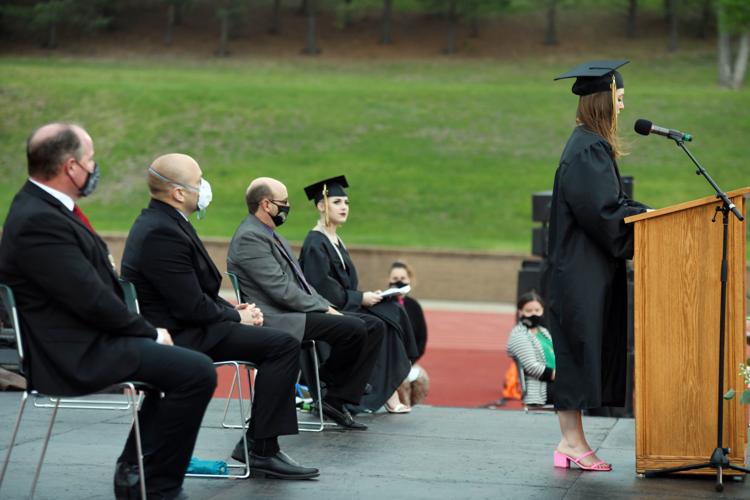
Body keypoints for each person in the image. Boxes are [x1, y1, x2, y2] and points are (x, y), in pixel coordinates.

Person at [0, 123, 217, 500]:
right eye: (90, 160)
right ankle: (159, 487)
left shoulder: (43, 208)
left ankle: (137, 473)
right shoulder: (39, 219)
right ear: (70, 167)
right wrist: (149, 333)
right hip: (71, 353)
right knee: (195, 371)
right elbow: (89, 298)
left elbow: (90, 289)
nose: (93, 167)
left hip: (84, 337)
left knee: (182, 363)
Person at [121, 154, 319, 480]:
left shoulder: (164, 223)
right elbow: (190, 308)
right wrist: (235, 318)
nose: (205, 187)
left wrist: (231, 310)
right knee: (282, 345)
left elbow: (192, 294)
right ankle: (261, 449)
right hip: (181, 335)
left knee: (279, 342)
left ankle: (140, 457)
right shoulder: (162, 232)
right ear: (178, 193)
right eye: (199, 181)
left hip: (187, 326)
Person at [546, 60, 649, 472]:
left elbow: (612, 206)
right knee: (575, 353)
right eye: (619, 99)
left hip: (584, 271)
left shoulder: (588, 144)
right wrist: (644, 224)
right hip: (580, 273)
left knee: (580, 350)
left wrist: (646, 213)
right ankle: (571, 442)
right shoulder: (588, 147)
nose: (623, 108)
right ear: (603, 101)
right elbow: (604, 213)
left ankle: (571, 442)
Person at [226, 177, 383, 430]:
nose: (288, 206)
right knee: (354, 328)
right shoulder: (250, 238)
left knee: (374, 326)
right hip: (277, 317)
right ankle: (326, 386)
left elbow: (301, 284)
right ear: (266, 204)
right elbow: (280, 290)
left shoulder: (269, 234)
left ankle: (334, 396)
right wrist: (324, 308)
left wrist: (326, 306)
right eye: (284, 202)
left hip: (293, 310)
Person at [298, 176, 414, 414]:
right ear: (321, 206)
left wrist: (369, 296)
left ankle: (387, 391)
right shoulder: (314, 243)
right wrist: (361, 298)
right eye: (337, 201)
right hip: (328, 311)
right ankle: (386, 395)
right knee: (382, 322)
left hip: (345, 304)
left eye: (347, 203)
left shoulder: (335, 240)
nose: (344, 207)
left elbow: (346, 284)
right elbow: (324, 290)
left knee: (392, 312)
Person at [387, 261, 430, 407]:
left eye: (403, 278)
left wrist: (411, 361)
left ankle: (415, 410)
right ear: (388, 280)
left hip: (409, 361)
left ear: (409, 280)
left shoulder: (414, 306)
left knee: (422, 380)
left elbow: (422, 339)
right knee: (401, 382)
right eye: (394, 278)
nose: (399, 282)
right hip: (389, 363)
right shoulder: (382, 303)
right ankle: (402, 410)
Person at [506, 291, 555, 406]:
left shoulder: (543, 331)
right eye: (529, 311)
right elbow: (532, 367)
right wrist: (564, 376)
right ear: (520, 312)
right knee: (580, 390)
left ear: (542, 310)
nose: (534, 314)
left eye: (537, 310)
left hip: (556, 382)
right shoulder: (519, 335)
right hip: (541, 389)